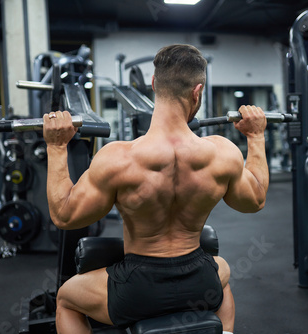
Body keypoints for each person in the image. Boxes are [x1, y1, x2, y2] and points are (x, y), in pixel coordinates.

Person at [42, 44, 269, 334]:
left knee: (66, 299)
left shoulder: (118, 158)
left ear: (152, 84)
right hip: (198, 281)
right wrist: (256, 136)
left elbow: (64, 215)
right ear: (197, 92)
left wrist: (57, 146)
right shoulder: (222, 153)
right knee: (221, 274)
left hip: (136, 291)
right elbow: (255, 200)